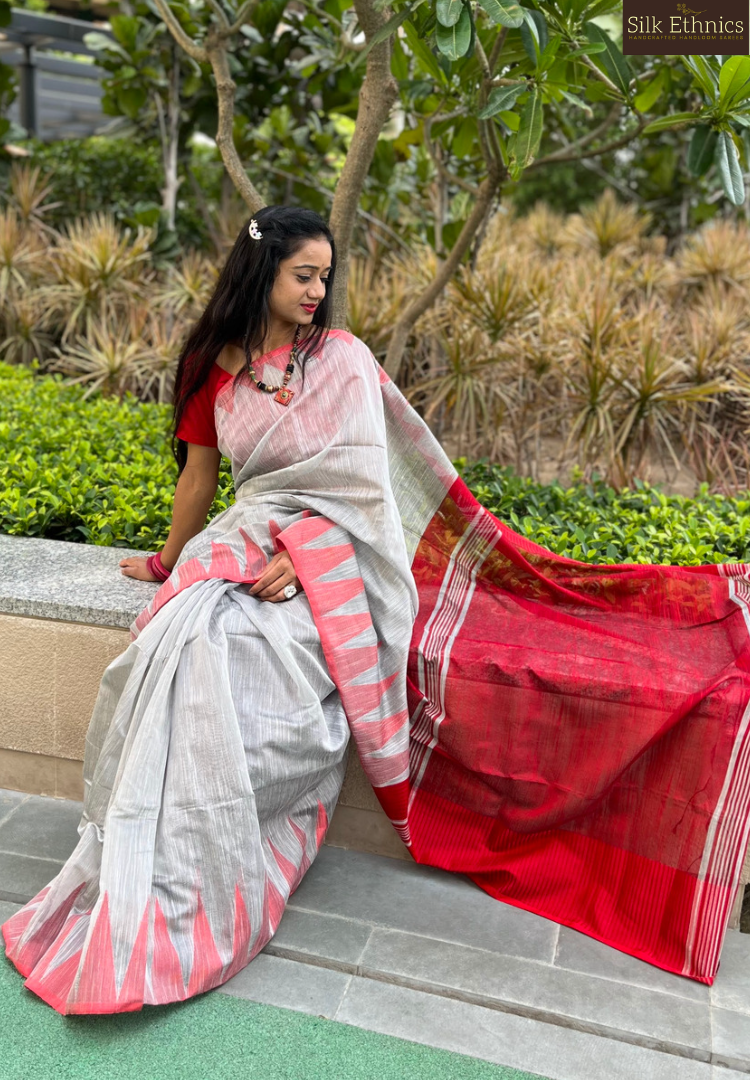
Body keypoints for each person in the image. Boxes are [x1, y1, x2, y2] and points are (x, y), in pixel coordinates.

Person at [4, 206, 750, 1015]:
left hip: (335, 559)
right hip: (247, 536)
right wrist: (168, 562)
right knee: (186, 641)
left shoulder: (345, 362)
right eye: (304, 275)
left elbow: (366, 499)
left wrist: (309, 560)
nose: (320, 291)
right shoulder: (207, 365)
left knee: (257, 657)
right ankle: (166, 862)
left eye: (326, 276)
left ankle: (215, 861)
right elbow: (199, 480)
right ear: (262, 274)